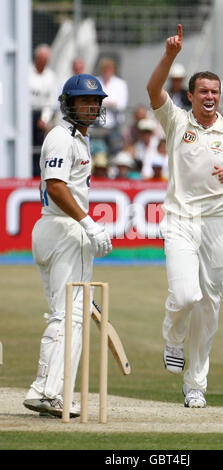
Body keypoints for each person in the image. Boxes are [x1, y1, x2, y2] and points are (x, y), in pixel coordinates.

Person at [147, 25, 223, 409]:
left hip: (218, 226)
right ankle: (172, 338)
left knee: (208, 304)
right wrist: (170, 56)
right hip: (181, 220)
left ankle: (195, 383)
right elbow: (153, 91)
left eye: (215, 92)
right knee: (184, 295)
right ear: (192, 96)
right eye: (204, 91)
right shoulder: (177, 122)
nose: (210, 97)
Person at [23, 73, 112, 418]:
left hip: (54, 229)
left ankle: (53, 391)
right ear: (68, 104)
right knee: (69, 316)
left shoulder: (79, 139)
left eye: (95, 102)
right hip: (63, 232)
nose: (91, 107)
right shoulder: (61, 137)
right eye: (84, 101)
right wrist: (88, 224)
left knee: (68, 314)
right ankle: (46, 390)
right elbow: (57, 186)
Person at [30, 44, 57, 176]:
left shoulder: (50, 76)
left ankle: (37, 173)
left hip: (40, 115)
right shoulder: (26, 72)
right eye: (42, 59)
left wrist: (45, 118)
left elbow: (50, 100)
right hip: (26, 114)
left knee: (39, 146)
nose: (44, 62)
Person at [95, 57, 128, 155]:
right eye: (105, 68)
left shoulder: (120, 84)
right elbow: (93, 102)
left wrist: (102, 102)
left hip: (114, 126)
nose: (107, 71)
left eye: (109, 68)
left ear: (113, 69)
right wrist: (111, 103)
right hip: (97, 125)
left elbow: (121, 105)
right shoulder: (96, 81)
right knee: (97, 153)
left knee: (114, 152)